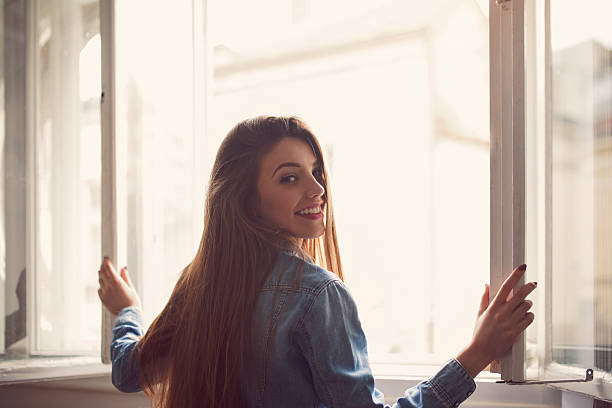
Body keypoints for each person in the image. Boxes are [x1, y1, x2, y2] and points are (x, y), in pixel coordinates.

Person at [97, 116, 536, 408]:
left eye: (316, 172)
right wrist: (477, 353)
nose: (317, 189)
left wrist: (127, 311)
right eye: (290, 177)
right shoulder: (319, 294)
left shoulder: (197, 285)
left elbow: (127, 371)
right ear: (245, 200)